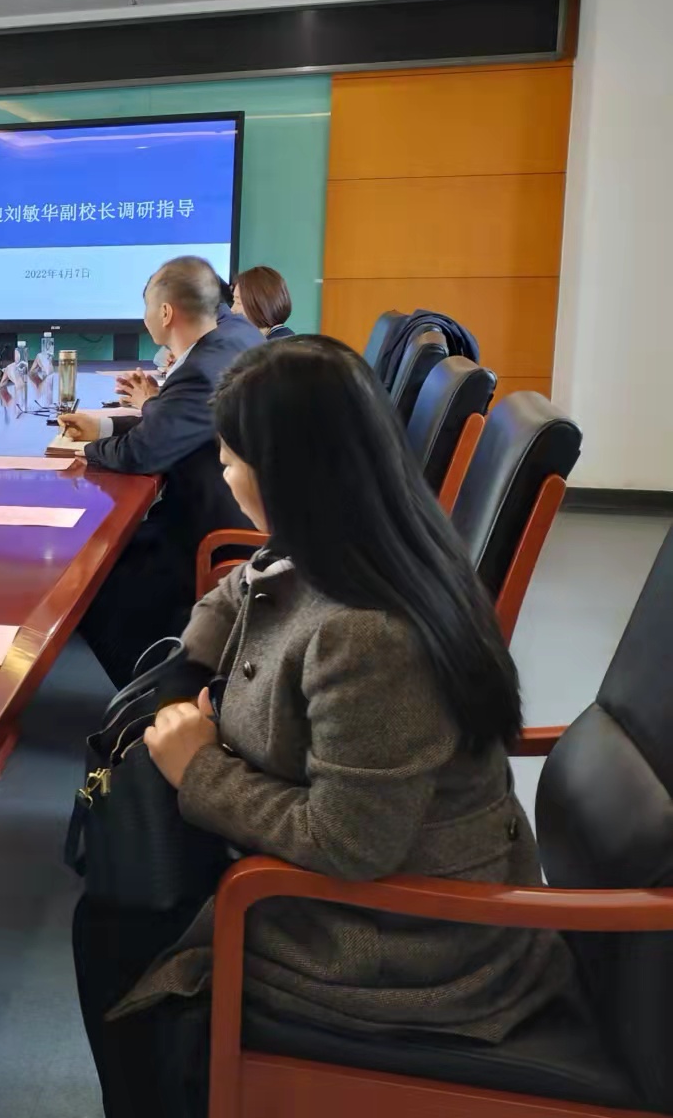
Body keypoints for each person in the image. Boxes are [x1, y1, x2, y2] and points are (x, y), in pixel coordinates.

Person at [72, 336, 571, 1117]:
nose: (222, 470)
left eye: (231, 456)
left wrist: (198, 766)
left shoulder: (368, 635)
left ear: (287, 472)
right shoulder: (360, 537)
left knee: (119, 928)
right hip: (406, 886)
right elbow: (242, 587)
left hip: (414, 944)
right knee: (125, 901)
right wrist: (193, 660)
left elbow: (348, 843)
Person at [58, 257, 263, 687]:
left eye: (147, 306)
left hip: (215, 527)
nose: (145, 316)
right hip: (229, 504)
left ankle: (153, 693)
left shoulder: (201, 369)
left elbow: (142, 453)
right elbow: (176, 424)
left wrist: (85, 450)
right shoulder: (234, 335)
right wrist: (106, 426)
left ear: (166, 313)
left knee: (90, 577)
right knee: (108, 550)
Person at [232, 264, 294, 339]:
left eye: (238, 303)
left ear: (260, 304)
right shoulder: (286, 339)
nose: (232, 310)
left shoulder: (276, 345)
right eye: (234, 301)